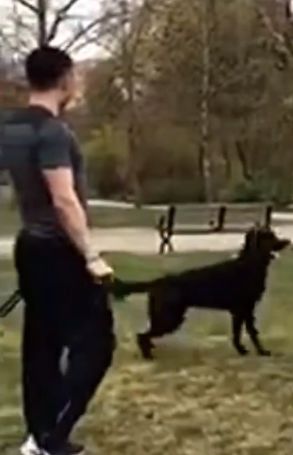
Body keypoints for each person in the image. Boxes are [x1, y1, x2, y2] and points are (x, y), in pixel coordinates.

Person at [0, 46, 115, 455]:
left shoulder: (11, 128)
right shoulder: (53, 132)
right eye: (76, 76)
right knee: (96, 345)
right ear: (64, 79)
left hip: (31, 245)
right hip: (58, 251)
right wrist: (90, 256)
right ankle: (50, 437)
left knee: (42, 346)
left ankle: (39, 435)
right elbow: (64, 199)